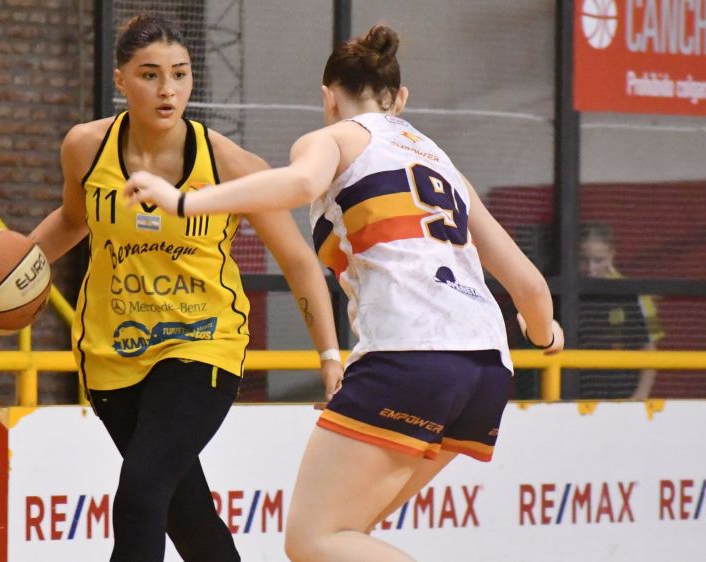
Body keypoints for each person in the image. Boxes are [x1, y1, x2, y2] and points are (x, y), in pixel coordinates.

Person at [124, 24, 563, 562]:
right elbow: (529, 285)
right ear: (400, 99)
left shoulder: (332, 138)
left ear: (329, 98)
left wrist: (184, 201)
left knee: (314, 539)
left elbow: (301, 184)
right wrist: (544, 334)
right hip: (487, 371)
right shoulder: (444, 165)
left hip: (410, 357)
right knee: (348, 534)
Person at [29, 14, 343, 561]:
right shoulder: (85, 147)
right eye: (150, 74)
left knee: (140, 493)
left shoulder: (229, 163)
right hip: (111, 352)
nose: (167, 89)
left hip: (202, 345)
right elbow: (74, 220)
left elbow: (297, 259)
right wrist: (17, 268)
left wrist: (329, 354)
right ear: (121, 80)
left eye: (179, 73)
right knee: (187, 517)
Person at [577, 223, 664, 399]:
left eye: (598, 260)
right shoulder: (565, 295)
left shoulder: (636, 294)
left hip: (621, 395)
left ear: (612, 254)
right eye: (584, 260)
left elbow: (650, 350)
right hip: (575, 395)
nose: (591, 269)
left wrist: (640, 395)